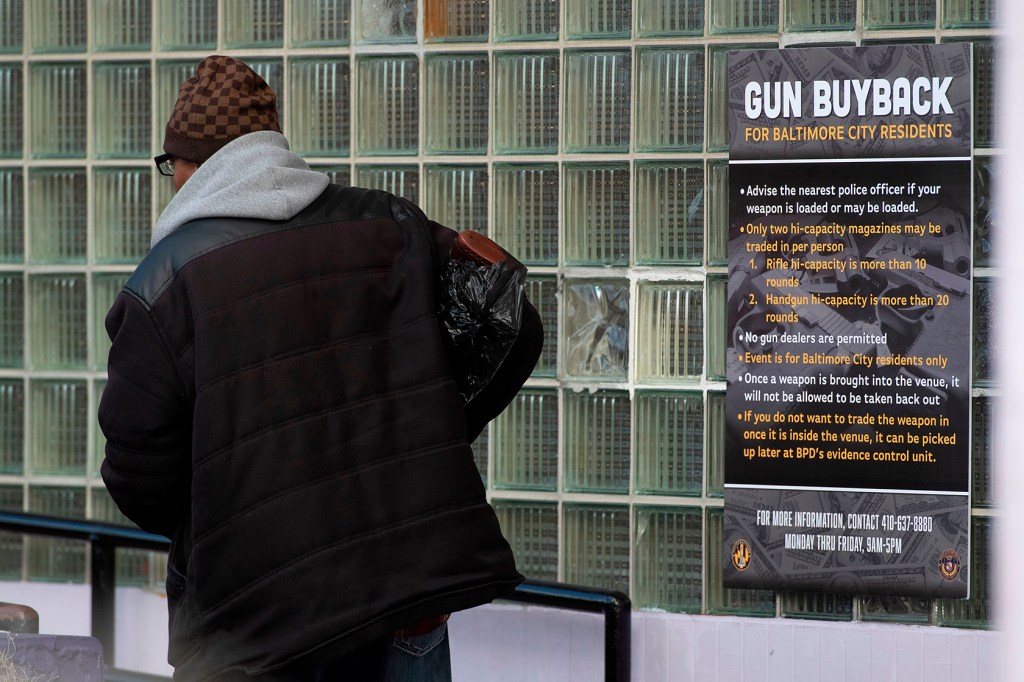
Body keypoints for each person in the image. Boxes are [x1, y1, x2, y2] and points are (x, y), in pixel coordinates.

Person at [99, 55, 543, 681]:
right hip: (403, 600)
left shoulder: (166, 285)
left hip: (256, 628)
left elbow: (137, 474)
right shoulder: (388, 224)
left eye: (170, 165)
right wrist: (425, 436)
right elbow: (510, 322)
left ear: (192, 165)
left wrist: (235, 501)